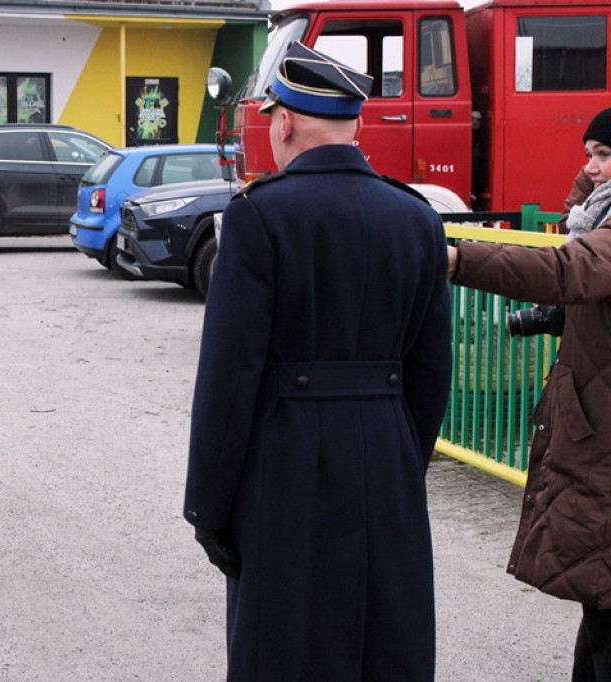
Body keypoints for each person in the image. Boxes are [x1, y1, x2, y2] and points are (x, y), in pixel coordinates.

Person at [183, 42, 453, 680]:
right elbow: (431, 370)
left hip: (287, 459)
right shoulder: (416, 218)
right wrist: (399, 456)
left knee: (288, 644)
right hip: (387, 452)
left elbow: (229, 378)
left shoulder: (259, 215)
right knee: (382, 642)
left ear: (283, 123)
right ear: (354, 126)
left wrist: (208, 507)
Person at [448, 105, 611, 681]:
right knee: (599, 608)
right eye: (588, 153)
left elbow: (566, 272)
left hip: (604, 444)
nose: (591, 167)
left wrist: (456, 257)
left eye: (605, 155)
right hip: (594, 429)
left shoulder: (604, 236)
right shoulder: (595, 216)